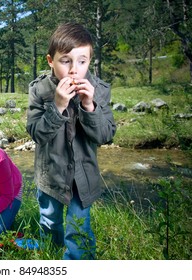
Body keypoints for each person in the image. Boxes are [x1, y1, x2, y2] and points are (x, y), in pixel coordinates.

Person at [26, 22, 117, 259]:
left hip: (83, 178)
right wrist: (57, 106)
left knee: (78, 231)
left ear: (90, 60)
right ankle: (50, 255)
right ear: (50, 61)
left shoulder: (100, 90)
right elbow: (36, 133)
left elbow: (106, 135)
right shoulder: (40, 90)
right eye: (65, 61)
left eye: (82, 61)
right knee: (49, 222)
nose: (74, 69)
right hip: (50, 175)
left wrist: (89, 105)